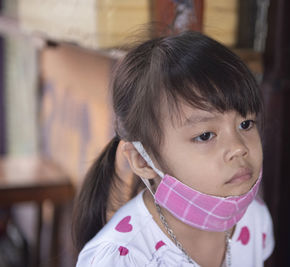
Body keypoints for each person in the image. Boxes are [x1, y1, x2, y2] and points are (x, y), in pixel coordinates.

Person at [73, 31, 274, 267]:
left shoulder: (254, 217)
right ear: (143, 160)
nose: (239, 148)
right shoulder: (123, 257)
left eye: (246, 124)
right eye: (206, 135)